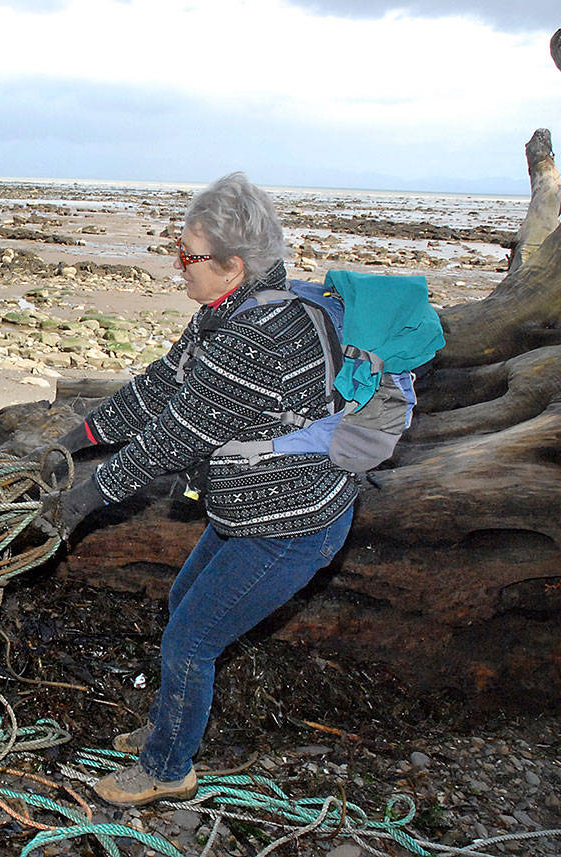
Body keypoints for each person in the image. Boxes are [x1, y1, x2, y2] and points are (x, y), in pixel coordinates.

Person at [39, 172, 357, 807]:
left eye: (188, 256)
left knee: (193, 638)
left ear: (232, 266)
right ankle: (169, 728)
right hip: (250, 507)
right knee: (184, 604)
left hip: (291, 526)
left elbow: (171, 440)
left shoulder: (255, 339)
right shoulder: (227, 312)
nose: (177, 267)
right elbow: (161, 386)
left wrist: (75, 505)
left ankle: (167, 767)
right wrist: (79, 437)